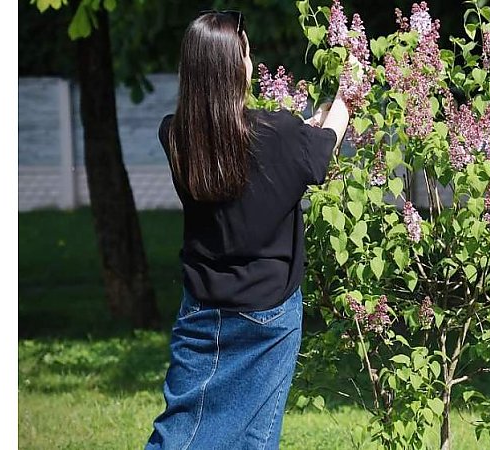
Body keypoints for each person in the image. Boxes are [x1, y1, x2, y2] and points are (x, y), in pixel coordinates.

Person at [145, 10, 351, 450]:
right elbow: (317, 150)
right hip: (269, 314)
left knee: (182, 424)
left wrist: (302, 131)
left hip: (201, 307)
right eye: (246, 52)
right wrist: (342, 105)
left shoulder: (176, 136)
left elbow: (253, 148)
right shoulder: (279, 133)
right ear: (237, 67)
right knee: (253, 437)